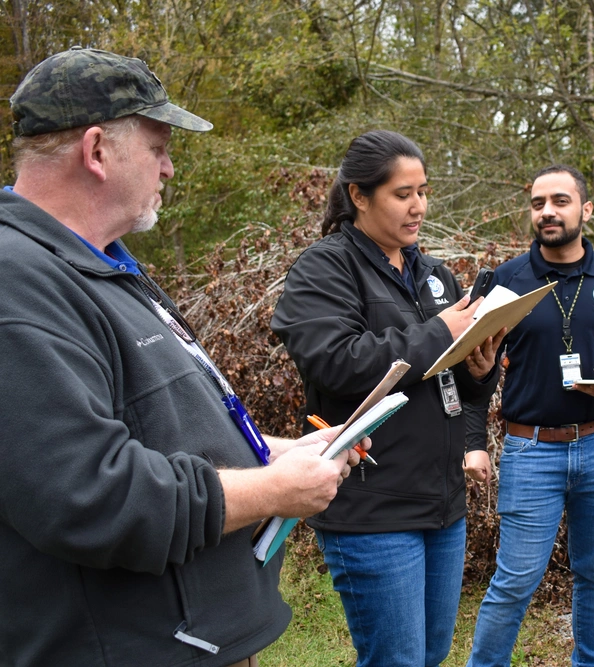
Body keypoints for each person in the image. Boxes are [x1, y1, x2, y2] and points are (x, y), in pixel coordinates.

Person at [0, 48, 364, 667]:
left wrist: (272, 452)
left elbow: (158, 428)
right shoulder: (18, 283)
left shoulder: (98, 263)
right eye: (158, 148)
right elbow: (91, 496)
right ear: (96, 151)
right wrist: (272, 490)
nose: (169, 168)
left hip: (196, 639)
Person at [270, 130, 503, 667]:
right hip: (372, 506)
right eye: (402, 194)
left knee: (431, 653)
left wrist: (480, 371)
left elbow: (451, 382)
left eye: (423, 192)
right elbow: (335, 362)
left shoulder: (434, 275)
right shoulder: (325, 269)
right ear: (359, 195)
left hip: (442, 504)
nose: (418, 206)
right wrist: (441, 333)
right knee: (396, 660)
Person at [466, 164, 594, 667]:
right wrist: (474, 441)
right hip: (532, 451)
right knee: (515, 580)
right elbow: (474, 368)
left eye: (560, 201)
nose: (547, 212)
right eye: (538, 204)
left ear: (585, 210)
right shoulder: (508, 279)